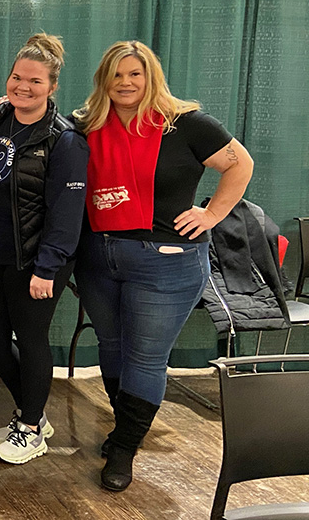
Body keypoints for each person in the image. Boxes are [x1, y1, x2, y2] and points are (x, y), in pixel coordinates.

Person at [73, 40, 253, 491]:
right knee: (111, 349)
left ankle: (125, 449)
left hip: (166, 263)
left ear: (150, 76)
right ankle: (123, 430)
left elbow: (240, 164)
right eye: (117, 75)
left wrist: (210, 214)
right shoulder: (87, 124)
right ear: (104, 80)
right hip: (98, 257)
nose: (126, 83)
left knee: (145, 357)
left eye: (135, 74)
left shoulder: (187, 125)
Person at [0, 34, 88, 465]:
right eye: (17, 77)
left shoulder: (65, 140)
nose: (23, 86)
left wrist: (48, 268)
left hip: (37, 259)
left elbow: (67, 211)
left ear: (52, 86)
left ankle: (32, 426)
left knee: (31, 337)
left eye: (35, 81)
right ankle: (34, 411)